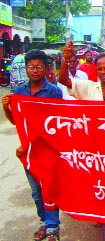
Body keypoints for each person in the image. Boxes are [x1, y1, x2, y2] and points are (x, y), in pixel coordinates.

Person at [59, 42, 105, 241]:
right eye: (99, 68)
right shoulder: (87, 87)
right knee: (97, 186)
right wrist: (66, 59)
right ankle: (102, 214)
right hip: (93, 150)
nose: (102, 71)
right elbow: (64, 80)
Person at [2, 49, 63, 241]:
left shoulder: (54, 92)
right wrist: (6, 107)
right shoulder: (20, 92)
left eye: (38, 67)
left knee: (49, 189)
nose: (34, 71)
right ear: (26, 69)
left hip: (48, 149)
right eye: (31, 67)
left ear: (46, 68)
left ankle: (53, 227)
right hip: (29, 152)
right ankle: (43, 222)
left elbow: (55, 125)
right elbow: (15, 122)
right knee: (36, 192)